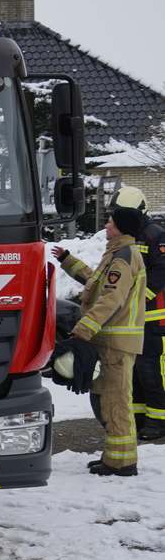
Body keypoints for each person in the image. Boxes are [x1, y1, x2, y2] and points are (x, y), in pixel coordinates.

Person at [53, 206, 147, 476]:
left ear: (122, 227)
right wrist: (69, 260)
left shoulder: (124, 256)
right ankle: (115, 458)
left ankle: (122, 462)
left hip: (116, 343)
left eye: (111, 222)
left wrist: (83, 329)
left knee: (116, 401)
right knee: (108, 400)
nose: (106, 225)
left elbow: (111, 299)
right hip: (110, 341)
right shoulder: (118, 253)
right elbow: (97, 283)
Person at [109, 186, 165, 440]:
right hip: (131, 318)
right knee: (134, 371)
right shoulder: (123, 237)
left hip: (154, 317)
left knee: (151, 370)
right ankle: (139, 418)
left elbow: (161, 272)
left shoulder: (155, 235)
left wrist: (141, 298)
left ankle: (159, 421)